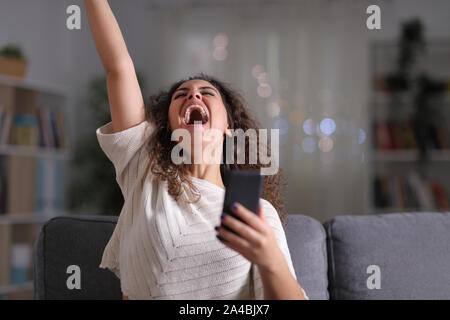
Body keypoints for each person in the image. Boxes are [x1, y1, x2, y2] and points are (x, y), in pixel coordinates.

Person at [85, 0, 308, 300]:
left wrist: (269, 257)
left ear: (229, 126)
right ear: (170, 126)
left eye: (206, 94)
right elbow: (118, 66)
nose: (193, 94)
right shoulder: (143, 168)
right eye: (182, 94)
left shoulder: (257, 213)